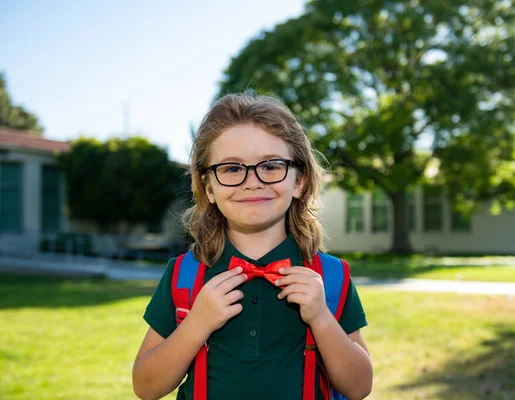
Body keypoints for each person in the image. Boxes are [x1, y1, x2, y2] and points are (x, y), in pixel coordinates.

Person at [132, 92, 373, 400]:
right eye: (232, 168)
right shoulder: (184, 274)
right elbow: (146, 386)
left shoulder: (331, 276)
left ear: (299, 181)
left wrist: (321, 317)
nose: (252, 181)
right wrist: (197, 324)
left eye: (271, 165)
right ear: (209, 187)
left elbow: (359, 387)